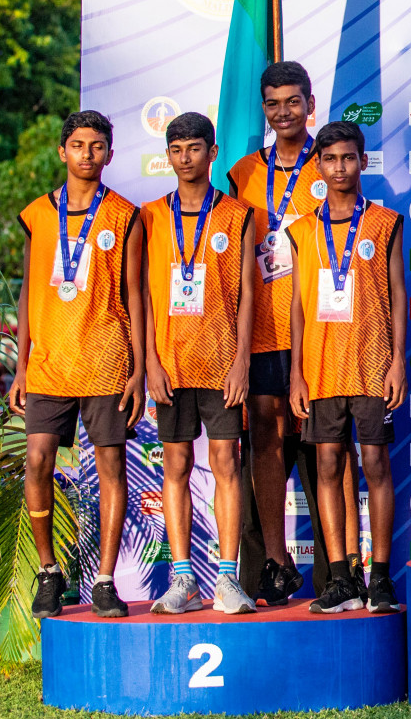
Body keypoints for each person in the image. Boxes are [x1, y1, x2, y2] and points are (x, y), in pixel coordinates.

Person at [227, 61, 363, 602]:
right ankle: (275, 565)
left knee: (330, 444)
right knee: (263, 437)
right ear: (264, 109)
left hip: (321, 328)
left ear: (311, 102)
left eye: (293, 101)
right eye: (273, 103)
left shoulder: (327, 164)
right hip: (261, 328)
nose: (284, 112)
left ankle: (342, 567)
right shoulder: (242, 172)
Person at [10, 110, 145, 618]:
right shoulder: (37, 214)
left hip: (108, 360)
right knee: (38, 460)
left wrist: (137, 370)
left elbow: (134, 297)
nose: (87, 155)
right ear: (62, 151)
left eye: (97, 146)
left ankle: (107, 581)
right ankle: (49, 572)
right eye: (78, 145)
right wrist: (21, 365)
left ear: (109, 154)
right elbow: (27, 292)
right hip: (48, 364)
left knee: (111, 466)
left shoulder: (126, 215)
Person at [141, 112, 258, 615]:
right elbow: (141, 298)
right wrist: (151, 361)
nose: (185, 157)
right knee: (176, 464)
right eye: (177, 149)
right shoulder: (148, 217)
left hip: (221, 365)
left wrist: (241, 363)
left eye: (195, 148)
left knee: (227, 463)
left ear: (213, 153)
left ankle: (228, 579)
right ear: (167, 156)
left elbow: (250, 294)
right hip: (171, 363)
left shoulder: (238, 215)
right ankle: (185, 578)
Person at [287, 121, 406, 612]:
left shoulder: (385, 222)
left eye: (349, 158)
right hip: (319, 366)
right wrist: (295, 371)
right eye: (331, 158)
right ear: (318, 165)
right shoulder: (301, 230)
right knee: (329, 466)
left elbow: (398, 293)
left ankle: (379, 576)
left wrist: (399, 361)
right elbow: (296, 304)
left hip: (373, 363)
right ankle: (340, 576)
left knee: (375, 464)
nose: (340, 167)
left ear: (362, 161)